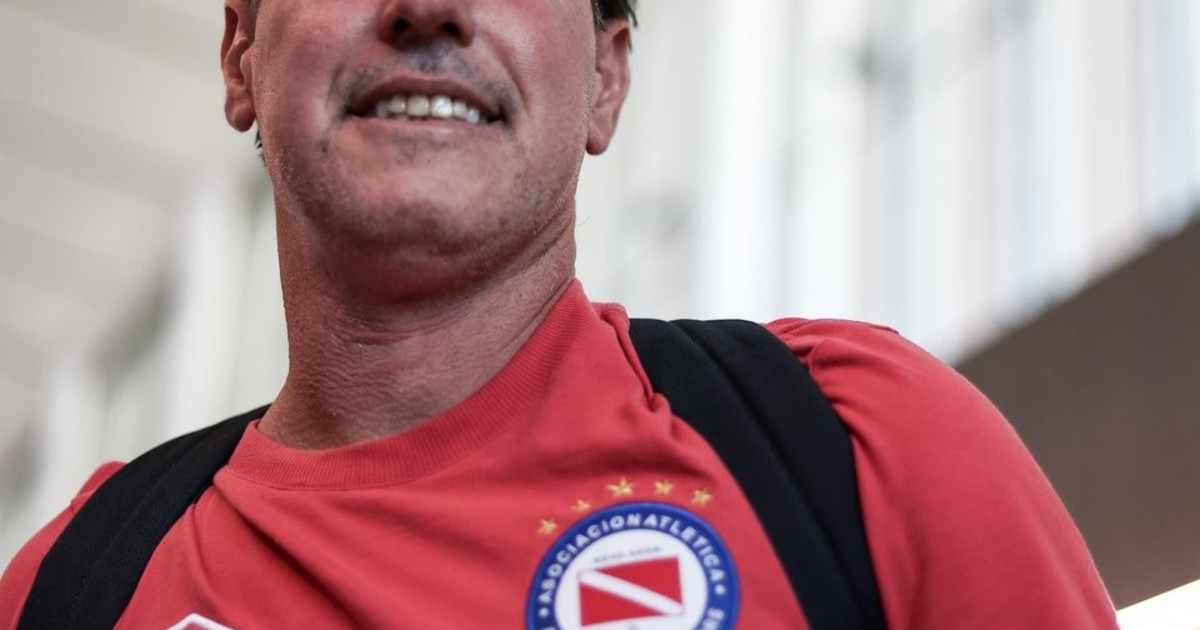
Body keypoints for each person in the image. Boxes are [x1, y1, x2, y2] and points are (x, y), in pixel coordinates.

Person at [1, 0, 1119, 628]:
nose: (428, 6)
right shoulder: (75, 588)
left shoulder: (860, 446)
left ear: (606, 80)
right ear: (240, 53)